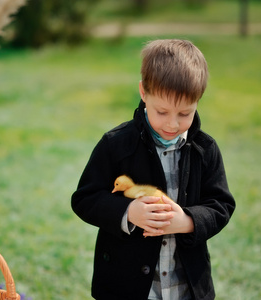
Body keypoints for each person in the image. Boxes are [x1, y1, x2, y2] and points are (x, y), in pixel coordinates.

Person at [71, 39, 235, 300]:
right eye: (162, 111)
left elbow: (221, 205)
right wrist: (128, 212)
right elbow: (85, 199)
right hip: (127, 286)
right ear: (143, 93)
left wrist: (188, 221)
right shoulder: (116, 144)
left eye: (185, 113)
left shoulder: (206, 149)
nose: (172, 123)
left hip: (186, 287)